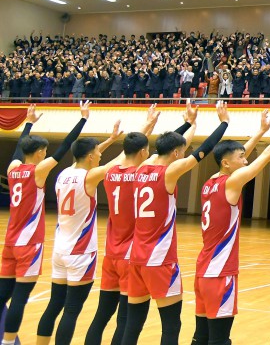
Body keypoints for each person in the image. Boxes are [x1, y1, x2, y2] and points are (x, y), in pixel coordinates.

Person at [120, 100, 230, 345]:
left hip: (136, 258)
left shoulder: (141, 169)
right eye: (182, 150)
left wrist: (188, 123)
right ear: (177, 153)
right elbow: (203, 149)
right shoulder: (168, 173)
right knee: (171, 325)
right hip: (160, 260)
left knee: (133, 323)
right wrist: (223, 124)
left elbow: (168, 147)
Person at [191, 107, 270, 345]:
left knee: (200, 337)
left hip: (202, 271)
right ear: (227, 163)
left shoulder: (211, 181)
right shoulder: (231, 183)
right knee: (219, 340)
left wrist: (260, 131)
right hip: (220, 272)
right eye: (241, 158)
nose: (246, 160)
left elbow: (239, 157)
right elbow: (267, 156)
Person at [0, 102, 90, 345]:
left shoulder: (13, 168)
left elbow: (20, 149)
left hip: (10, 241)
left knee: (2, 295)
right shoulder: (38, 171)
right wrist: (82, 120)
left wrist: (28, 124)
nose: (46, 153)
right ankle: (8, 342)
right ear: (39, 152)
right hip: (29, 243)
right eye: (44, 150)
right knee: (19, 296)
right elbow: (63, 149)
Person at [85, 106, 172, 345]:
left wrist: (146, 126)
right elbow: (154, 156)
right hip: (130, 256)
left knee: (101, 316)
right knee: (126, 320)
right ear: (144, 151)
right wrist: (152, 126)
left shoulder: (109, 172)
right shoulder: (142, 173)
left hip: (110, 253)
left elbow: (128, 152)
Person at [35, 122, 124, 345]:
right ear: (90, 156)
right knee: (72, 310)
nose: (100, 155)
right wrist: (143, 133)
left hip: (60, 249)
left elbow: (88, 158)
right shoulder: (89, 177)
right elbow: (120, 161)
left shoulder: (63, 173)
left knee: (55, 304)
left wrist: (110, 140)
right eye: (97, 152)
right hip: (80, 252)